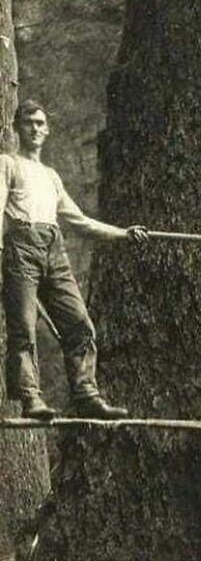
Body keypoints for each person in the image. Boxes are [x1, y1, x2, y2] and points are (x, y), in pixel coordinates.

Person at [0, 99, 148, 420]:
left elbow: (79, 221)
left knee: (79, 322)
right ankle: (31, 399)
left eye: (40, 123)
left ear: (47, 130)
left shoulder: (51, 176)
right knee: (24, 328)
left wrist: (123, 234)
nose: (35, 129)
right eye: (28, 123)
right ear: (16, 128)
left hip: (54, 248)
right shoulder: (7, 164)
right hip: (20, 247)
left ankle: (86, 394)